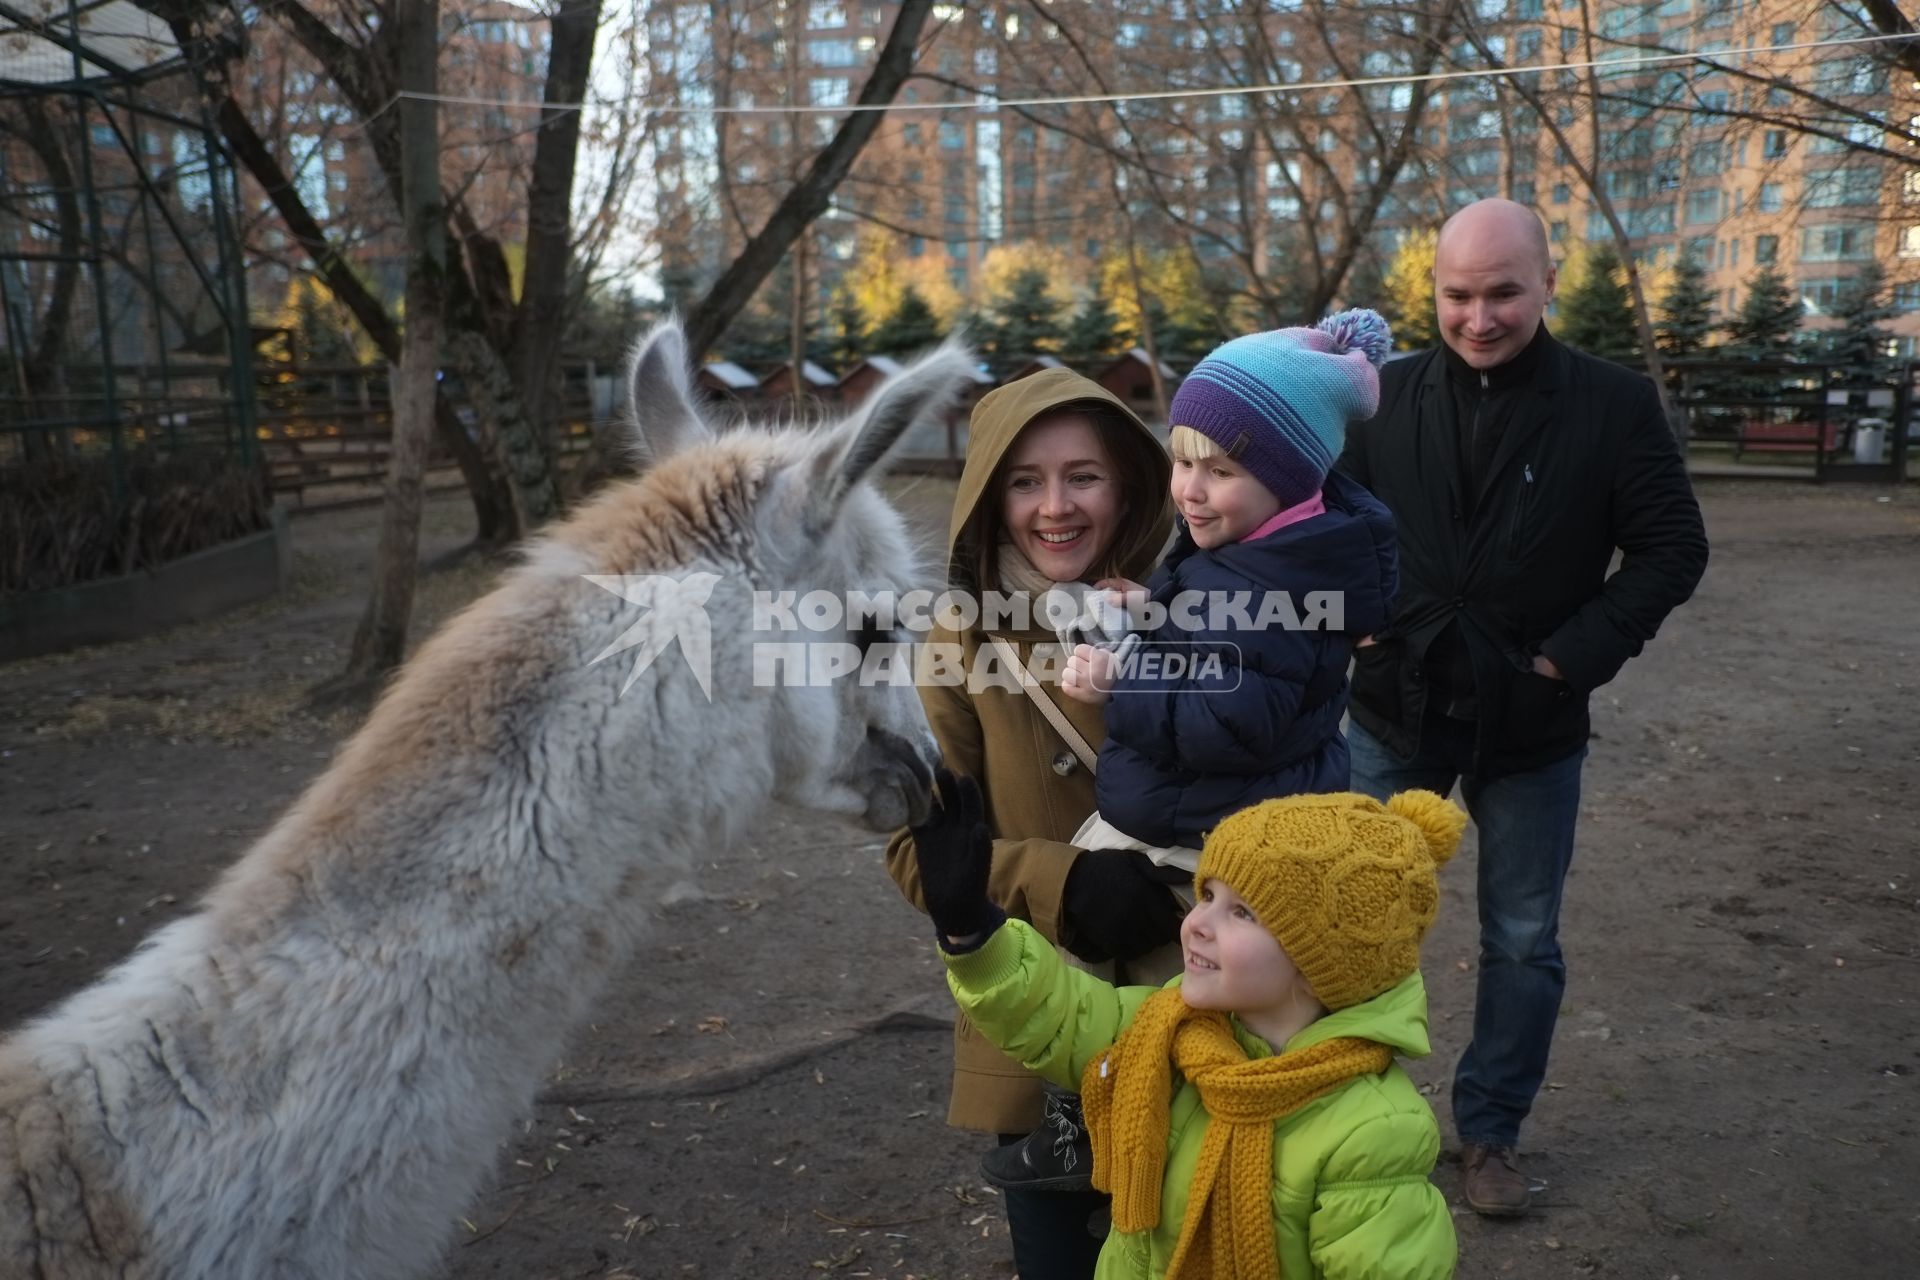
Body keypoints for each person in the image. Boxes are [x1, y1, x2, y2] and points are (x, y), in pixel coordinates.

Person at [1337, 198, 1709, 1217]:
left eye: (1503, 291)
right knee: (1356, 923)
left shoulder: (1613, 404)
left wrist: (1570, 659)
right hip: (1390, 708)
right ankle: (1353, 1116)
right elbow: (1326, 515)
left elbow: (1673, 548)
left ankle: (1490, 1128)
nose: (1479, 316)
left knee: (1521, 936)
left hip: (1531, 723)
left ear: (1548, 281)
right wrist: (1352, 618)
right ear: (1434, 292)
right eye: (1457, 294)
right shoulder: (1380, 395)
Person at [909, 771, 1464, 1280]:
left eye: (1241, 912)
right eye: (1208, 895)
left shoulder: (1373, 1134)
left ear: (1322, 967)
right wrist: (972, 931)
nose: (1197, 922)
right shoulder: (1174, 1027)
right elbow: (1060, 1013)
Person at [884, 368, 1182, 1279]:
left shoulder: (1203, 611)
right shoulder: (954, 643)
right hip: (1046, 1023)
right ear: (989, 496)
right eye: (1025, 481)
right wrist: (1066, 885)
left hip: (1197, 1000)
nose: (1055, 507)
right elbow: (912, 846)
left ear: (1128, 483)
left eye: (1082, 476)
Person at [1058, 311, 1400, 867]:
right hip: (1208, 816)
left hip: (1215, 844)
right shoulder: (1262, 553)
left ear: (1287, 482)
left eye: (1220, 472)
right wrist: (1157, 607)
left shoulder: (1279, 590)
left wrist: (1121, 683)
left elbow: (1227, 722)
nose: (1190, 490)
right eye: (1183, 460)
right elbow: (1222, 635)